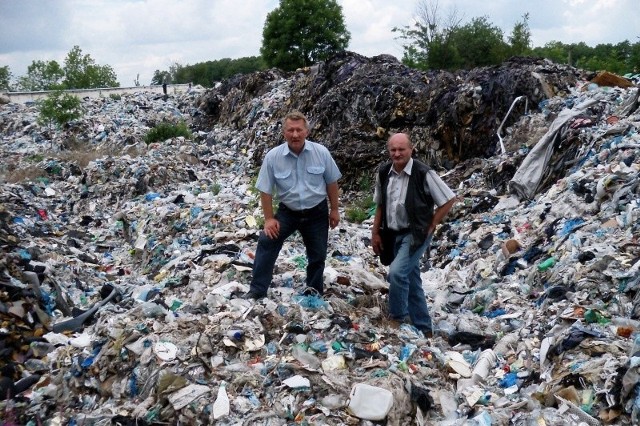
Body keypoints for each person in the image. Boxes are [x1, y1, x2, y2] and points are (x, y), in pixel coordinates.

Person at [244, 111, 341, 299]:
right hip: (288, 212)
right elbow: (265, 189)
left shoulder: (320, 153)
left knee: (318, 254)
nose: (295, 135)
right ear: (284, 133)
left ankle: (313, 290)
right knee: (267, 241)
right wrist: (269, 219)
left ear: (307, 132)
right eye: (290, 130)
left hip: (316, 212)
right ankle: (257, 290)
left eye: (299, 130)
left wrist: (335, 210)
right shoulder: (273, 157)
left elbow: (332, 182)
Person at [371, 133, 456, 337]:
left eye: (402, 149)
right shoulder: (384, 173)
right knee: (411, 278)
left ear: (411, 149)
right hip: (393, 233)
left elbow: (448, 199)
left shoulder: (423, 173)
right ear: (389, 151)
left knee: (397, 273)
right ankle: (424, 328)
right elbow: (380, 205)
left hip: (415, 233)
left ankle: (397, 317)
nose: (397, 154)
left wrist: (433, 223)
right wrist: (375, 232)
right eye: (393, 150)